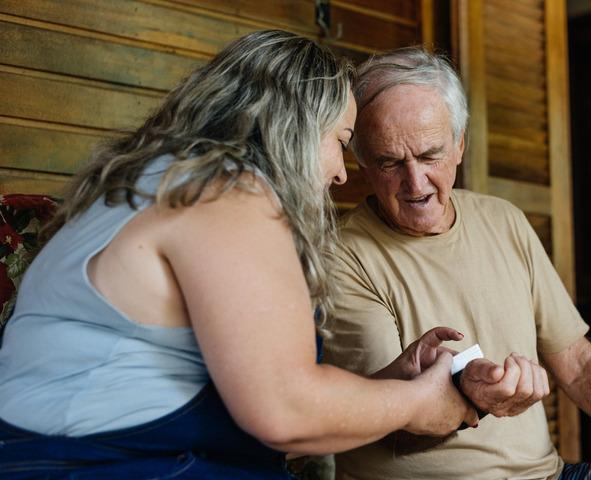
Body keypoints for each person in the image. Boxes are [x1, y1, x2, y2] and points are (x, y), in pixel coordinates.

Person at [0, 31, 478, 479]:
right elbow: (284, 413)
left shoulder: (153, 184)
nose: (339, 174)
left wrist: (391, 385)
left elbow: (253, 417)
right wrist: (417, 404)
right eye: (341, 142)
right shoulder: (226, 193)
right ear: (296, 128)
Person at [323, 47, 591, 480]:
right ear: (361, 162)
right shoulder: (344, 253)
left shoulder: (503, 220)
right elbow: (380, 425)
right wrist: (472, 400)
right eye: (390, 162)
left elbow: (580, 365)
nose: (416, 183)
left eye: (431, 155)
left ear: (459, 144)